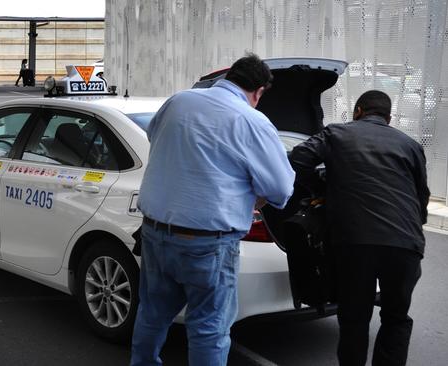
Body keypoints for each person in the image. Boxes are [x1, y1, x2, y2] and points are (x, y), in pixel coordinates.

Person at [130, 53, 295, 365]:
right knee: (209, 327)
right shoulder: (252, 120)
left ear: (228, 76)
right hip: (208, 244)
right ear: (259, 92)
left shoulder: (178, 101)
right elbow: (280, 189)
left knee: (151, 314)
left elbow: (156, 137)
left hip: (155, 232)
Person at [289, 90, 429, 366]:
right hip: (405, 244)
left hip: (354, 242)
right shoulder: (411, 145)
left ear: (357, 111)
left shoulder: (336, 134)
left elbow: (296, 161)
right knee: (396, 318)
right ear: (388, 118)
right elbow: (421, 196)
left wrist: (322, 186)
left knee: (354, 318)